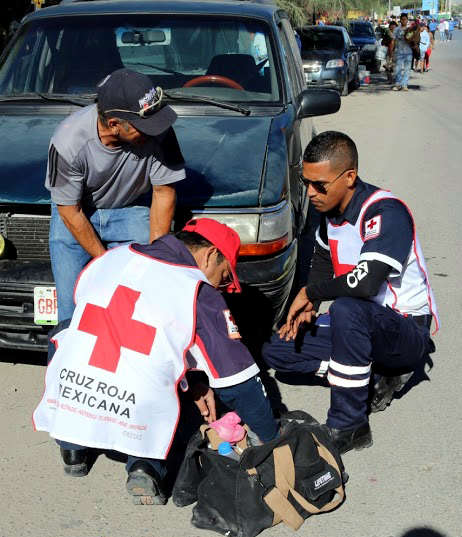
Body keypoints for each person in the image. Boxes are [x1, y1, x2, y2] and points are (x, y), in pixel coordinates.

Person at [34, 219, 280, 504]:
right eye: (224, 277)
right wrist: (270, 434)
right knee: (155, 372)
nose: (221, 287)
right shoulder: (196, 291)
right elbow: (237, 380)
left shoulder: (112, 257)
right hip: (130, 400)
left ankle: (72, 446)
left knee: (66, 332)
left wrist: (197, 383)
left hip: (73, 390)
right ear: (211, 254)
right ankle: (145, 464)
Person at [261, 131, 439, 454]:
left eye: (320, 185)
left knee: (345, 307)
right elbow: (322, 259)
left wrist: (312, 291)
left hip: (403, 331)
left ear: (350, 177)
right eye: (306, 183)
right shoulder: (329, 216)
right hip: (358, 325)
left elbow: (367, 283)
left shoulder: (385, 213)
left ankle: (350, 423)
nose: (311, 193)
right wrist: (310, 303)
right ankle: (364, 374)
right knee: (277, 350)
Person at [46, 68, 184, 328]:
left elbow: (164, 192)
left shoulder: (158, 131)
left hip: (131, 210)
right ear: (114, 124)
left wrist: (156, 256)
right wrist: (105, 263)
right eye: (144, 127)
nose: (154, 131)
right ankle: (63, 360)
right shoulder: (67, 141)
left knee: (147, 295)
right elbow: (68, 210)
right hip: (77, 215)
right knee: (70, 311)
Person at [391, 14, 414, 91]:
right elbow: (393, 40)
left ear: (407, 20)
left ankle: (404, 84)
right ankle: (398, 84)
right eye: (402, 19)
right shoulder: (397, 29)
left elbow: (414, 40)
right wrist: (391, 50)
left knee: (407, 69)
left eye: (405, 19)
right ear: (400, 20)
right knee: (398, 68)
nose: (404, 20)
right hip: (399, 52)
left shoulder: (410, 29)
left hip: (408, 52)